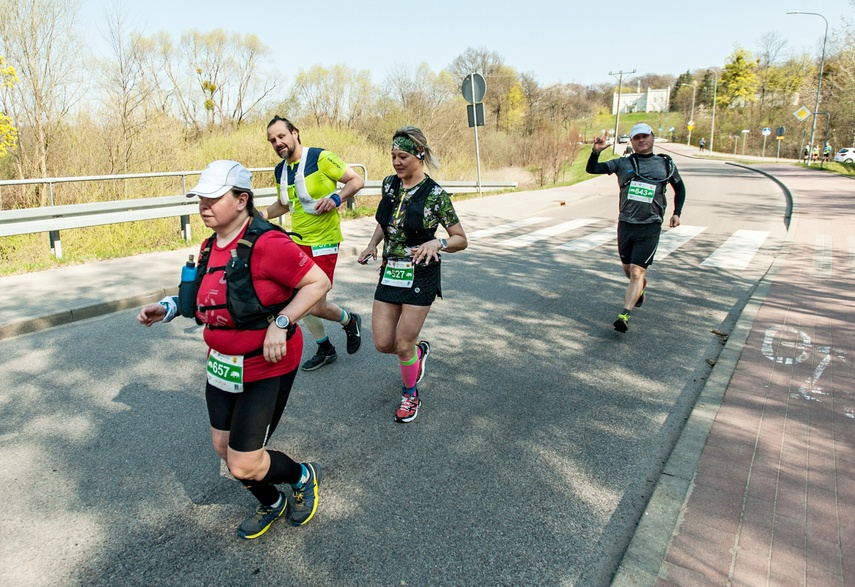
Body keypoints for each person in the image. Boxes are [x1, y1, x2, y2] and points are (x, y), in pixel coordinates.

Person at [137, 160, 331, 539]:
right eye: (200, 199)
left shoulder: (269, 243)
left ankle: (302, 476)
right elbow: (204, 297)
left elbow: (317, 282)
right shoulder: (210, 245)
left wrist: (282, 323)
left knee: (242, 464)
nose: (204, 206)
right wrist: (169, 307)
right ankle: (272, 501)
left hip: (266, 365)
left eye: (213, 198)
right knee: (223, 449)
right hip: (222, 364)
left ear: (242, 200)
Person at [357, 127, 467, 422]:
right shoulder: (390, 185)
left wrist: (439, 242)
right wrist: (372, 245)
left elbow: (460, 239)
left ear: (419, 156)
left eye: (402, 156)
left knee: (403, 342)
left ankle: (410, 395)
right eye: (393, 156)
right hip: (391, 271)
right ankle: (417, 355)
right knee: (383, 343)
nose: (396, 162)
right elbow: (386, 222)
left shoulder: (435, 195)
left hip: (422, 274)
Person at [263, 116, 365, 372]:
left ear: (295, 133)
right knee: (299, 300)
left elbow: (356, 180)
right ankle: (325, 348)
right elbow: (285, 204)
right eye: (272, 140)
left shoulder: (321, 158)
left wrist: (336, 198)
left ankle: (349, 321)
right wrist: (260, 216)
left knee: (314, 303)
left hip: (324, 241)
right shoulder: (280, 170)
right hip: (297, 242)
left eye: (281, 136)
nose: (278, 143)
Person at [586, 123, 685, 333]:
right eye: (637, 137)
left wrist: (677, 212)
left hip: (651, 225)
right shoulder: (623, 163)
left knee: (637, 271)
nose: (641, 140)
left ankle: (625, 314)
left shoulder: (665, 164)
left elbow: (680, 188)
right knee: (627, 270)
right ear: (632, 142)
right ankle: (640, 289)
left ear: (652, 138)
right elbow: (592, 169)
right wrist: (595, 152)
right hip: (626, 224)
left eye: (645, 136)